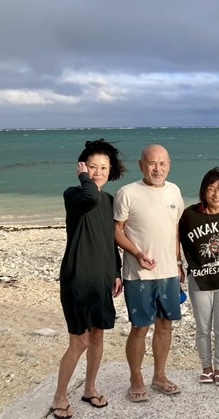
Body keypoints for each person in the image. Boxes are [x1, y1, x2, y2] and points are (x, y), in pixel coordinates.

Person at [51, 139, 126, 419]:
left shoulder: (109, 200)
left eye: (104, 167)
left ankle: (90, 388)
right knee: (79, 341)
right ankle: (59, 396)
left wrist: (116, 272)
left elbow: (110, 240)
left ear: (111, 170)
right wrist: (84, 178)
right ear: (82, 167)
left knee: (97, 336)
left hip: (101, 279)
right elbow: (90, 197)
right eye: (92, 166)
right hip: (78, 278)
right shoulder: (75, 195)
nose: (98, 172)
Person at [114, 144, 185, 402]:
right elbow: (116, 231)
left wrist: (178, 263)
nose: (157, 169)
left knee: (165, 325)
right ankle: (136, 378)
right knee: (140, 327)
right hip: (139, 275)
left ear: (169, 165)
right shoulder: (127, 193)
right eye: (152, 163)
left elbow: (175, 230)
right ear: (141, 165)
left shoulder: (174, 191)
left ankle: (159, 376)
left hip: (168, 272)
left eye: (162, 163)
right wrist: (137, 253)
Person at [179, 167, 219, 386]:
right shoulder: (189, 215)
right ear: (203, 190)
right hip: (199, 280)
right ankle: (206, 368)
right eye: (211, 188)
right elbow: (175, 238)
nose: (216, 194)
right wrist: (178, 263)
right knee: (203, 328)